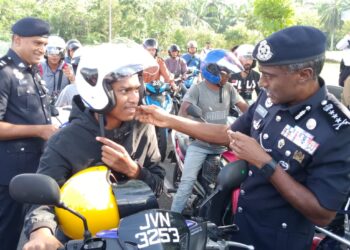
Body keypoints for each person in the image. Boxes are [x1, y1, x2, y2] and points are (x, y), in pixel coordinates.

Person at [136, 26, 350, 249]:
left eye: (269, 76)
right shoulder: (269, 99)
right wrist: (169, 120)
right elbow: (229, 135)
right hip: (242, 225)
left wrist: (265, 163)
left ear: (304, 75)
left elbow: (323, 214)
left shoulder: (338, 129)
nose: (261, 83)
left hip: (280, 241)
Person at [22, 42, 165, 250]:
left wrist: (133, 170)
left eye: (136, 89)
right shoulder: (65, 140)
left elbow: (158, 185)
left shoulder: (144, 127)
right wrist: (41, 233)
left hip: (140, 235)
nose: (134, 98)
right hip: (86, 239)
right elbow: (43, 201)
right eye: (125, 91)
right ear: (99, 92)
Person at [0, 17, 58, 250]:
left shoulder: (33, 71)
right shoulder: (4, 73)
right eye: (37, 43)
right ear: (17, 40)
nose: (42, 50)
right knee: (6, 235)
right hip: (9, 176)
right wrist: (41, 130)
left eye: (44, 44)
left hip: (36, 168)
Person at [171, 49, 248, 213]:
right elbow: (183, 112)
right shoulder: (197, 89)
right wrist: (191, 119)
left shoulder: (228, 88)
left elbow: (245, 108)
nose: (228, 76)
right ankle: (173, 219)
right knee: (187, 182)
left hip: (223, 144)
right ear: (212, 71)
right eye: (225, 72)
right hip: (200, 145)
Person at [39, 35, 75, 104]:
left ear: (62, 53)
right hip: (44, 105)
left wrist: (72, 78)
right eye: (51, 51)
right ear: (46, 52)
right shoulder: (39, 67)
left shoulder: (68, 68)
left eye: (58, 51)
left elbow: (75, 91)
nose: (54, 55)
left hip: (63, 105)